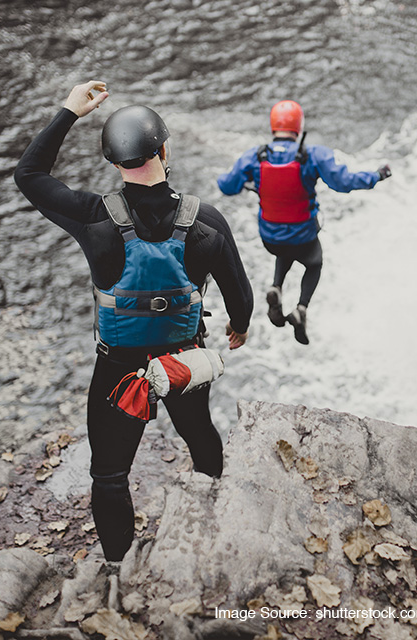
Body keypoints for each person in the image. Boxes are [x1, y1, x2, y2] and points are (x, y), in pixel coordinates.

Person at [14, 81, 254, 562]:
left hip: (118, 369)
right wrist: (239, 328)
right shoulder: (206, 221)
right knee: (200, 434)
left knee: (109, 474)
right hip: (184, 361)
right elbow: (239, 297)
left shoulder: (92, 217)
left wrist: (69, 112)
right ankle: (208, 515)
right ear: (164, 149)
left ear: (113, 162)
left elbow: (29, 174)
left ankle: (119, 567)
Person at [217, 100, 391, 345]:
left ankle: (276, 287)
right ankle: (301, 308)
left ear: (273, 126)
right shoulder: (313, 155)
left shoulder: (255, 157)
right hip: (304, 237)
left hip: (270, 238)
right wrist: (377, 175)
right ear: (299, 127)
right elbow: (343, 182)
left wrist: (242, 181)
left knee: (285, 246)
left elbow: (227, 186)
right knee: (314, 263)